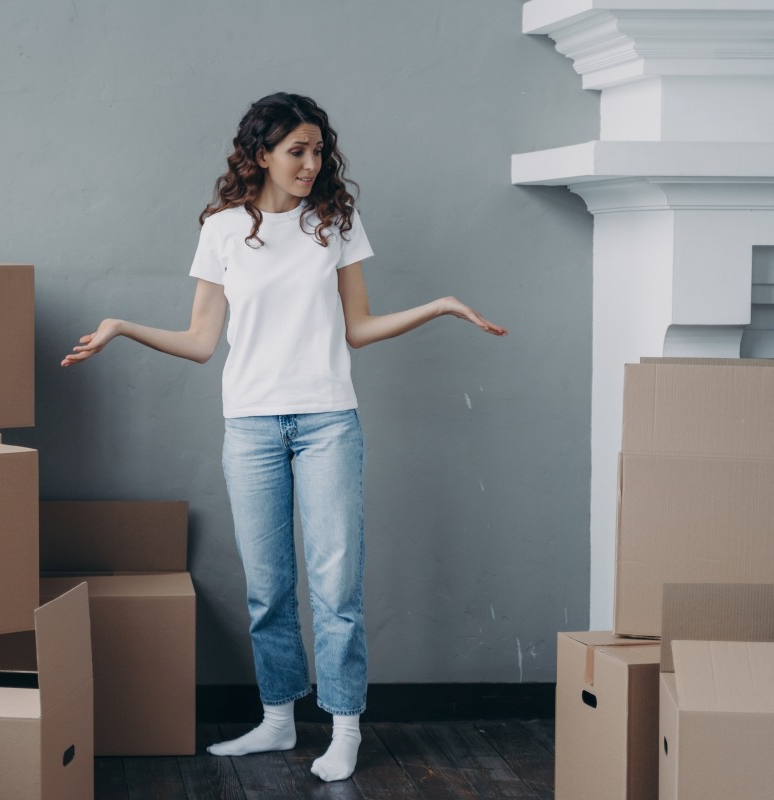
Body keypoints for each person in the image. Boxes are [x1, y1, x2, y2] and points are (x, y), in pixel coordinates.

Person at [61, 92, 506, 782]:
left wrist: (439, 306)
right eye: (296, 150)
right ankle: (276, 720)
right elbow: (202, 341)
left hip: (329, 419)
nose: (310, 163)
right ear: (261, 154)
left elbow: (357, 327)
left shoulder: (337, 221)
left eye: (318, 150)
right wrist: (120, 326)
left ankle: (346, 727)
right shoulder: (222, 230)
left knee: (336, 586)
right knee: (268, 589)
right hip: (251, 424)